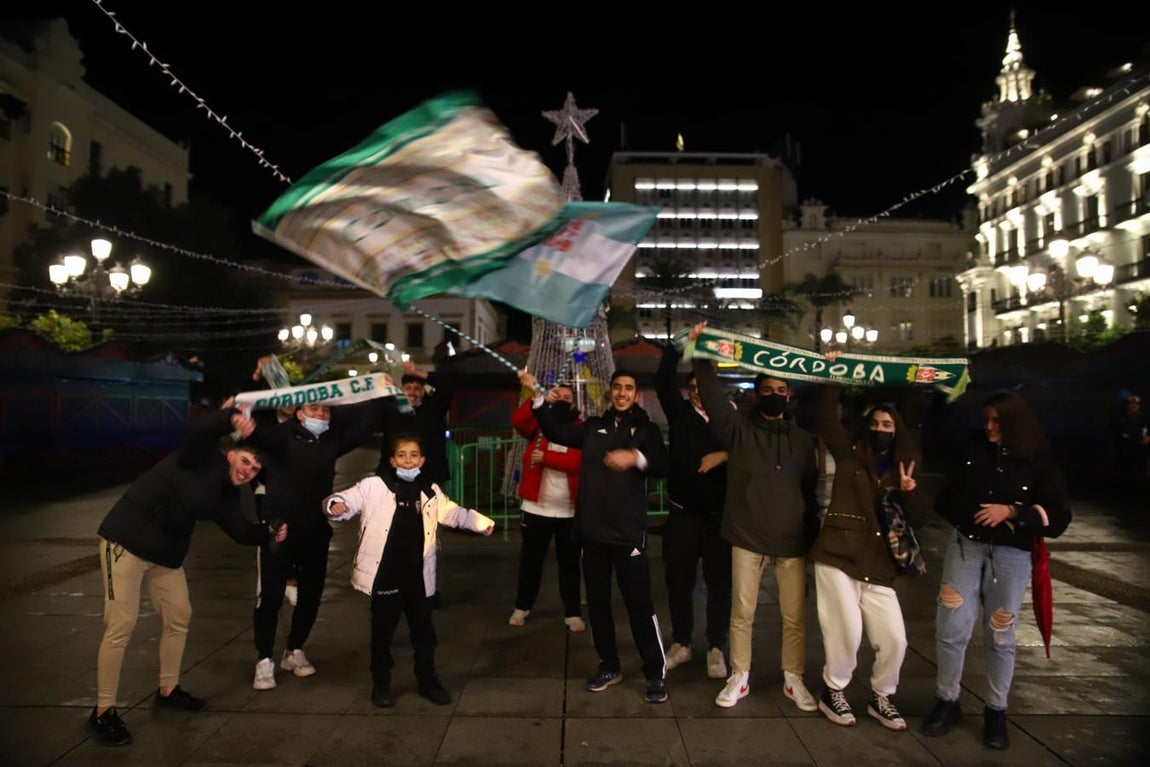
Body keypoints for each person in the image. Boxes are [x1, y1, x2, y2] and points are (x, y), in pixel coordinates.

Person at [89, 408, 287, 747]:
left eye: (254, 469)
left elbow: (239, 531)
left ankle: (168, 690)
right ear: (232, 452)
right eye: (245, 462)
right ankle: (102, 711)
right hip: (125, 543)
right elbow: (201, 428)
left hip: (166, 555)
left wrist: (268, 532)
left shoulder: (226, 494)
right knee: (121, 625)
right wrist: (230, 419)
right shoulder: (198, 457)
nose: (247, 471)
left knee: (179, 616)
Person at [922, 390, 1072, 749]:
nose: (989, 428)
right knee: (951, 626)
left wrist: (1013, 512)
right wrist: (944, 395)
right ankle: (947, 701)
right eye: (986, 420)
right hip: (966, 547)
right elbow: (945, 474)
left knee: (1001, 634)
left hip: (1010, 556)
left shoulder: (1039, 460)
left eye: (997, 422)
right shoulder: (973, 448)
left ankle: (996, 710)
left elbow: (1059, 515)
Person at [686, 322, 820, 711]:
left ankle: (793, 678)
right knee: (742, 613)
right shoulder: (738, 430)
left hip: (791, 541)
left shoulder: (801, 440)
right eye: (767, 390)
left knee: (794, 616)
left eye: (781, 390)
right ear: (756, 395)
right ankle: (740, 675)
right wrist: (701, 353)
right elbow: (711, 396)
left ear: (789, 395)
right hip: (747, 537)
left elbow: (808, 487)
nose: (775, 395)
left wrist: (809, 531)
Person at [520, 367, 672, 704]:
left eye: (628, 388)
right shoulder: (592, 428)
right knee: (599, 605)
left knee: (639, 606)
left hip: (628, 535)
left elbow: (663, 465)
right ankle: (609, 666)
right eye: (617, 387)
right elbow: (557, 431)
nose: (621, 393)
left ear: (636, 394)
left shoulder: (645, 429)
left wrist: (635, 456)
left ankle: (654, 673)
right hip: (592, 534)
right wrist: (539, 396)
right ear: (609, 393)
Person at [324, 434, 495, 708]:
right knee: (382, 634)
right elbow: (345, 500)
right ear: (392, 461)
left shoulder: (429, 489)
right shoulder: (373, 486)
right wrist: (336, 505)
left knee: (424, 634)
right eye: (402, 455)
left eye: (414, 455)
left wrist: (478, 522)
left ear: (422, 460)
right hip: (385, 576)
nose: (408, 460)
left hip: (418, 576)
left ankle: (428, 681)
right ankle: (381, 684)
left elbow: (451, 512)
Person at [243, 393, 387, 692]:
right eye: (313, 408)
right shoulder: (281, 438)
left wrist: (376, 390)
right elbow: (254, 430)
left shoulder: (331, 441)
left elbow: (366, 421)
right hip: (279, 531)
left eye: (325, 410)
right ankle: (264, 660)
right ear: (298, 413)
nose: (320, 414)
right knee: (270, 598)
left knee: (310, 597)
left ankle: (294, 650)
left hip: (315, 531)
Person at [809, 384, 921, 731]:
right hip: (838, 554)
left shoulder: (907, 465)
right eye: (875, 423)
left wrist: (908, 494)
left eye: (888, 425)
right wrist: (832, 380)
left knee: (895, 638)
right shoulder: (850, 454)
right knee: (846, 628)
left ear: (897, 429)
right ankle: (834, 690)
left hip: (878, 563)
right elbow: (828, 421)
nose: (880, 430)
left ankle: (881, 696)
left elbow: (918, 520)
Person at [654, 340, 731, 680]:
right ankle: (681, 643)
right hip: (683, 515)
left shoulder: (729, 419)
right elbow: (662, 381)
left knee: (719, 585)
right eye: (694, 388)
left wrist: (724, 456)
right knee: (679, 581)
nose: (699, 393)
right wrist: (676, 348)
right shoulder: (680, 413)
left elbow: (749, 452)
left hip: (719, 519)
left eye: (705, 387)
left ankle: (716, 646)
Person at [377, 359, 456, 607]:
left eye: (416, 388)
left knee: (428, 538)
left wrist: (420, 372)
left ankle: (427, 589)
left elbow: (448, 386)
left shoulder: (433, 407)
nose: (412, 392)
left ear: (423, 391)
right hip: (394, 481)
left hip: (428, 481)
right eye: (407, 387)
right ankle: (395, 587)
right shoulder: (390, 409)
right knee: (395, 535)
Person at [508, 382, 586, 632]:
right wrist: (537, 397)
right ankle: (522, 607)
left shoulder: (581, 429)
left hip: (570, 510)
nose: (563, 399)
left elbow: (580, 462)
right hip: (536, 508)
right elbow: (519, 422)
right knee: (531, 561)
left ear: (574, 403)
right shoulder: (539, 425)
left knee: (570, 564)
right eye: (558, 396)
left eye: (567, 397)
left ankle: (573, 612)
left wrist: (547, 458)